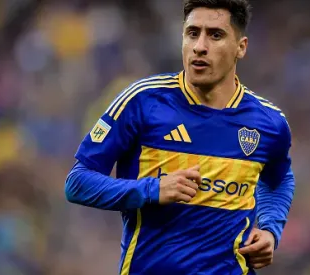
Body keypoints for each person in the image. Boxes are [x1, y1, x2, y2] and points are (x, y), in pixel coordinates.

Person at [65, 0, 295, 274]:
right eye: (192, 33)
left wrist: (270, 228)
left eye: (215, 35)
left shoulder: (269, 122)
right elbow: (77, 183)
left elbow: (279, 179)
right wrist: (151, 190)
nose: (200, 46)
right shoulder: (143, 101)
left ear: (241, 47)